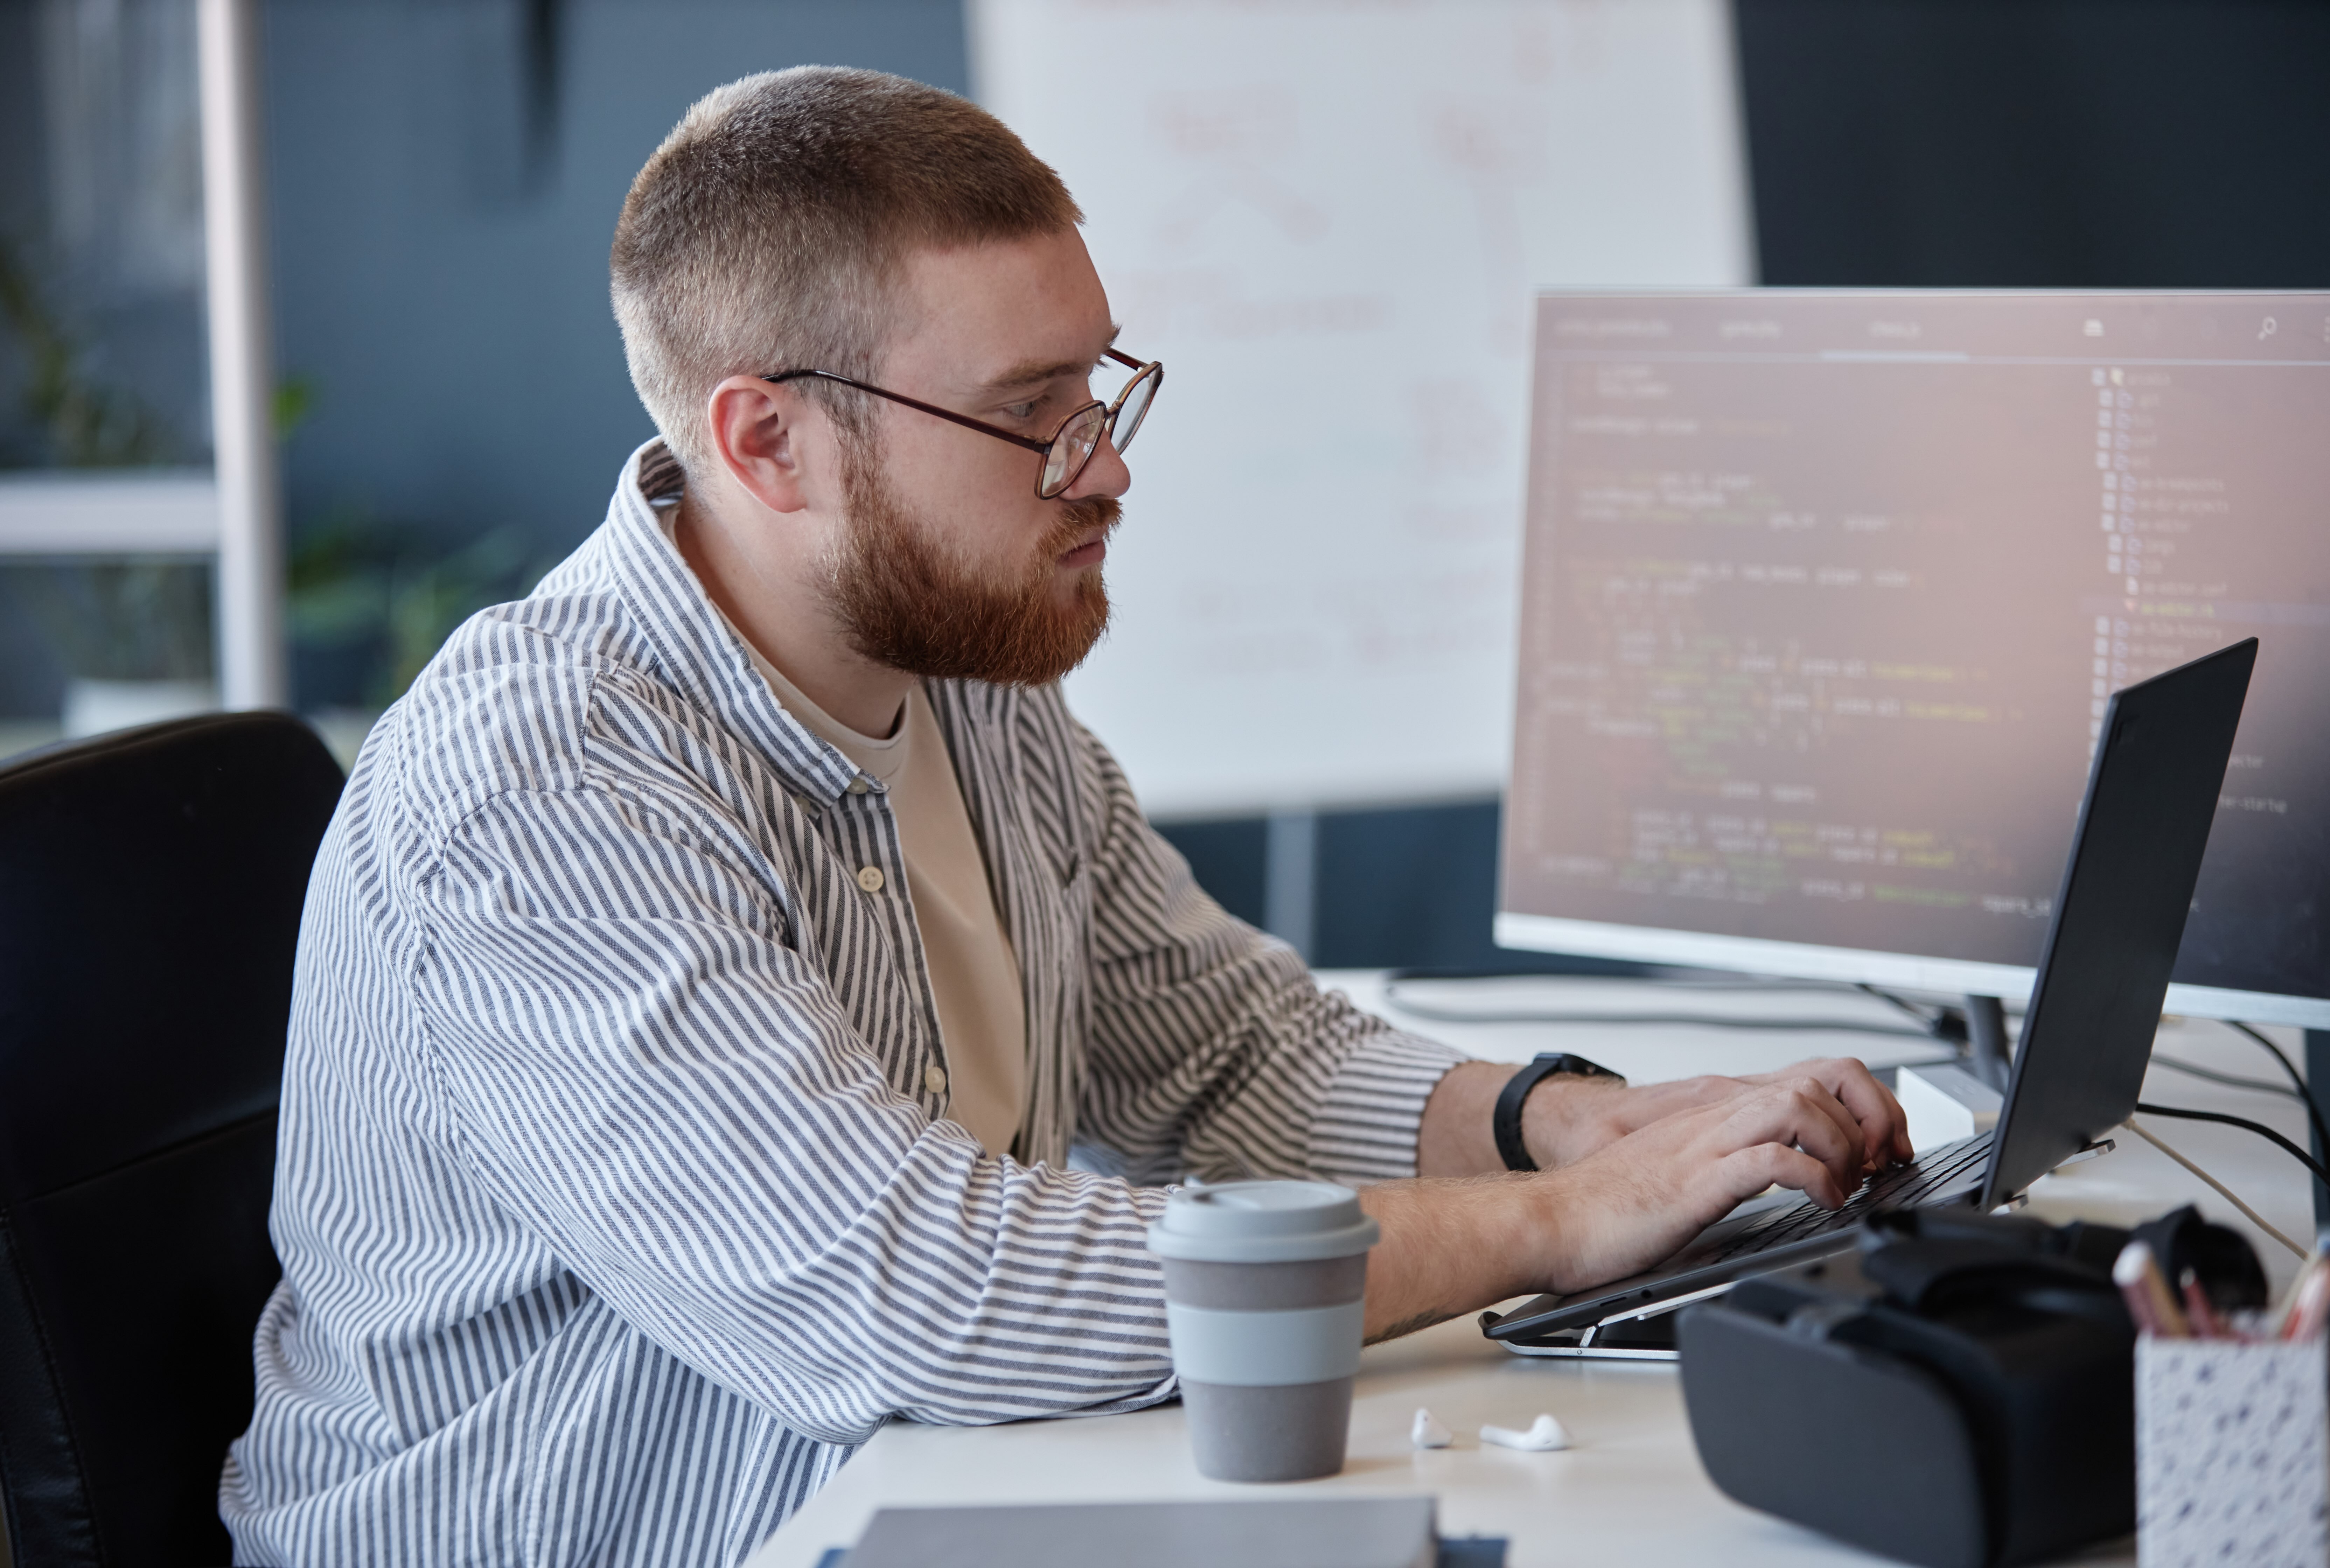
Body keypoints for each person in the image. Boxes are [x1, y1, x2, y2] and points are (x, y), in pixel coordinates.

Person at [221, 65, 1910, 1567]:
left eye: (1098, 389)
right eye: (1029, 414)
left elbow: (1225, 1055)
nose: (1103, 465)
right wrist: (1551, 1232)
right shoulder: (542, 792)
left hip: (898, 1496)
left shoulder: (968, 671)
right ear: (769, 442)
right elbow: (925, 1297)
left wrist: (1568, 1127)